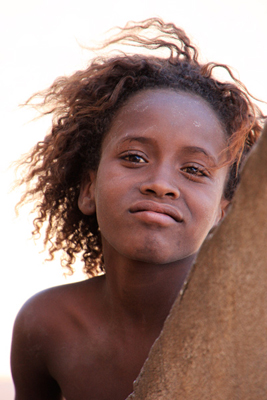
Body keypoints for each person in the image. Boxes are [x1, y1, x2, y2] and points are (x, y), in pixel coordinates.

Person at [11, 18, 265, 400]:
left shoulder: (251, 339)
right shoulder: (46, 326)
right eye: (134, 157)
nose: (160, 183)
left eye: (194, 170)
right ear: (87, 189)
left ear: (223, 214)